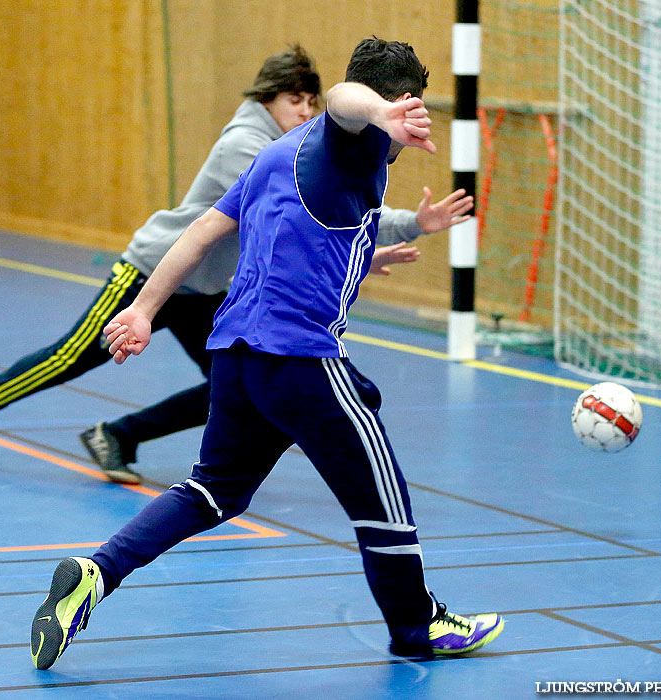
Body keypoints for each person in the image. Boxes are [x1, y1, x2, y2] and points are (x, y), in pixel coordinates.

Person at [29, 37, 503, 671]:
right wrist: (380, 115)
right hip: (300, 360)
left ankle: (96, 571)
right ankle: (418, 627)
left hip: (237, 356)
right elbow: (342, 100)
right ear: (400, 102)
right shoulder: (353, 139)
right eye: (407, 108)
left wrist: (143, 309)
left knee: (213, 490)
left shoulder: (279, 152)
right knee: (382, 498)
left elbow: (204, 229)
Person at [0, 44, 474, 484]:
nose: (306, 113)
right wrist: (403, 225)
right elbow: (297, 212)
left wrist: (369, 253)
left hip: (209, 289)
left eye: (312, 103)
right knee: (70, 358)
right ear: (268, 99)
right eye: (296, 101)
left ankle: (119, 435)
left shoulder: (295, 147)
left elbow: (312, 225)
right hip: (155, 271)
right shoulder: (251, 146)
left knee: (225, 384)